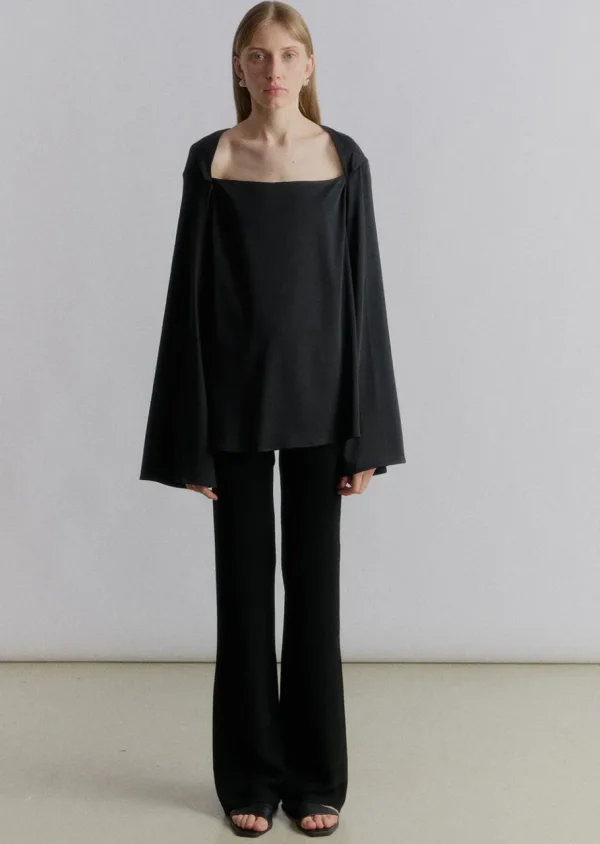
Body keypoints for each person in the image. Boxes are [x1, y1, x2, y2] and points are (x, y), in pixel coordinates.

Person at [139, 1, 406, 837]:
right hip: (235, 402)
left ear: (310, 65)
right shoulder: (213, 158)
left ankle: (316, 779)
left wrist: (367, 435)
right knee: (245, 594)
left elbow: (363, 296)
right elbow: (187, 297)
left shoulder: (342, 157)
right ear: (238, 67)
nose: (274, 70)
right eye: (258, 56)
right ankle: (249, 777)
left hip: (324, 399)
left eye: (289, 54)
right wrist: (189, 437)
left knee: (316, 596)